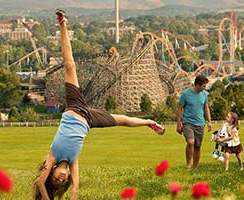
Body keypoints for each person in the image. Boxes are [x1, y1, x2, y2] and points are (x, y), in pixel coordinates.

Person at [32, 9, 165, 200]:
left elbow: (39, 183)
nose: (61, 178)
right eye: (63, 181)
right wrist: (72, 194)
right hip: (90, 120)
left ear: (52, 172)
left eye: (56, 179)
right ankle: (150, 122)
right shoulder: (73, 161)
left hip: (73, 106)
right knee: (124, 120)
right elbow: (75, 189)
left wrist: (46, 198)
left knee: (70, 66)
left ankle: (63, 24)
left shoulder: (51, 157)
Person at [176, 75, 212, 170]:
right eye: (204, 86)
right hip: (188, 122)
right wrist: (179, 124)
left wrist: (209, 121)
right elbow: (179, 109)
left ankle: (195, 167)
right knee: (191, 142)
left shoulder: (204, 94)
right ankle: (188, 165)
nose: (205, 87)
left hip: (200, 123)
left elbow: (206, 108)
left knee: (197, 146)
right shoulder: (185, 94)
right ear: (198, 85)